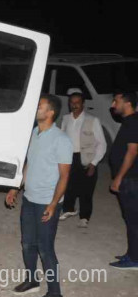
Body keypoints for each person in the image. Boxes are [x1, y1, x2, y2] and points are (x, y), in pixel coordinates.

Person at [6, 94, 71, 297]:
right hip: (30, 199)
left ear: (50, 112)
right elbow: (29, 164)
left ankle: (55, 294)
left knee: (45, 247)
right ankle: (32, 280)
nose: (36, 108)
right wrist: (16, 188)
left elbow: (64, 176)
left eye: (40, 106)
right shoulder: (35, 132)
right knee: (27, 243)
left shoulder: (61, 140)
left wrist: (53, 204)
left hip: (46, 202)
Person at [59, 88, 106, 227]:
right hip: (69, 157)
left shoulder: (92, 120)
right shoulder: (66, 119)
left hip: (86, 157)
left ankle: (84, 216)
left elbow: (101, 143)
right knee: (68, 185)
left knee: (87, 188)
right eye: (72, 102)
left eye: (77, 102)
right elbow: (62, 138)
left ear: (83, 104)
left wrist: (94, 163)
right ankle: (68, 209)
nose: (74, 105)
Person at [108, 91, 138, 270]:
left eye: (116, 101)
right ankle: (133, 253)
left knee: (133, 219)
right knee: (130, 218)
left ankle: (134, 259)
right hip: (130, 179)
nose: (113, 105)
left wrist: (119, 177)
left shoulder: (133, 122)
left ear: (127, 104)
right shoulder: (130, 121)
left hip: (130, 179)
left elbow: (133, 151)